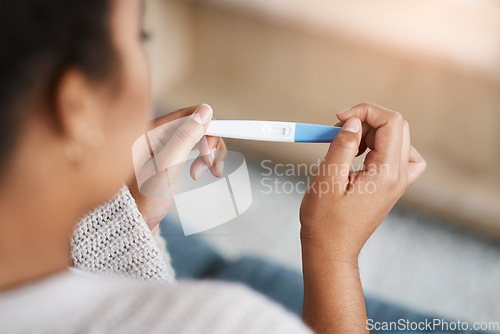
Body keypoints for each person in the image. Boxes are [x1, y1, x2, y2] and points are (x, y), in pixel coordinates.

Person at [0, 0, 427, 333]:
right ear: (76, 105)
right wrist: (332, 253)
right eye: (140, 37)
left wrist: (122, 218)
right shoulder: (224, 320)